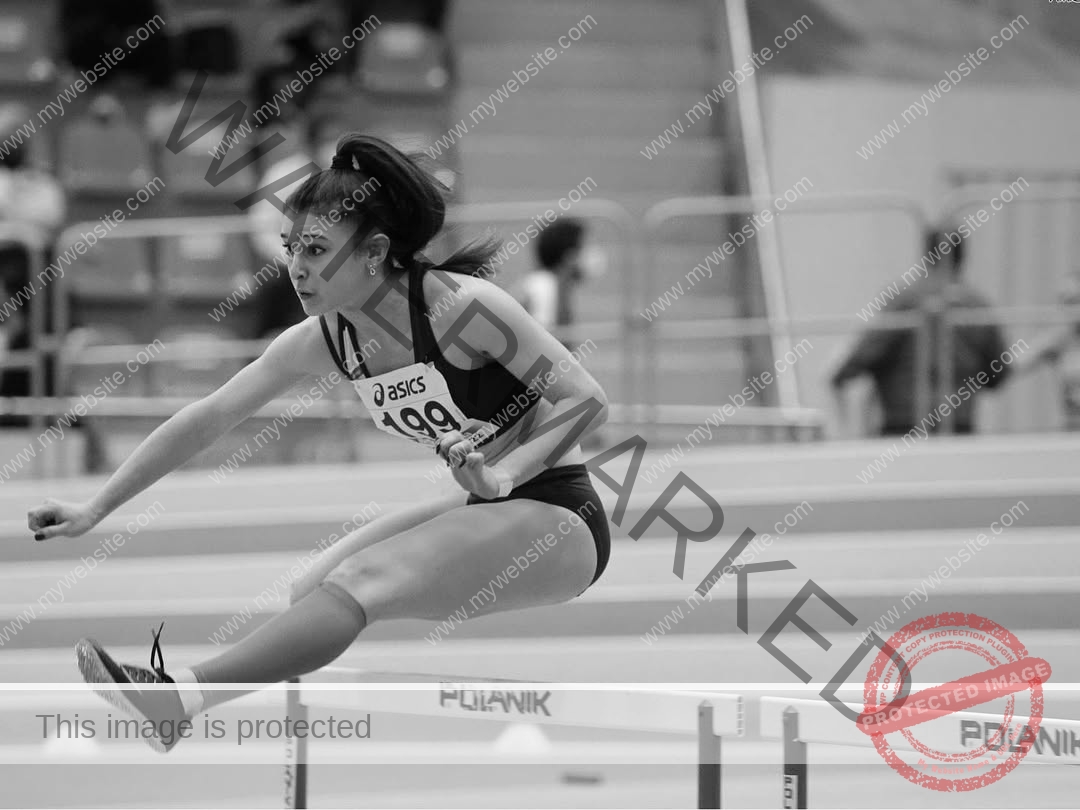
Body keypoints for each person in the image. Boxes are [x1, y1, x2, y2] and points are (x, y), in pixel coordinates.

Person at [27, 134, 611, 751]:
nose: (296, 268)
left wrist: (504, 476)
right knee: (312, 589)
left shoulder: (460, 310)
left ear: (375, 252)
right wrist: (97, 508)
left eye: (316, 249)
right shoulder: (321, 338)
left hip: (559, 513)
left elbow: (587, 398)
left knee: (360, 579)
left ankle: (180, 696)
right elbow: (207, 417)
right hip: (486, 502)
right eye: (290, 248)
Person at [831, 227, 1011, 436]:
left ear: (926, 255)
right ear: (963, 257)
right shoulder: (976, 305)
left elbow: (857, 362)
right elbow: (999, 375)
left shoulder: (902, 301)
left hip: (903, 429)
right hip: (959, 432)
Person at [1012, 274, 1080, 430]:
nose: (1069, 309)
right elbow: (1011, 364)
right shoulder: (1059, 340)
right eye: (1064, 302)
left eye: (1074, 300)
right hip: (1073, 431)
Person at [520, 219, 587, 348]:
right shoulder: (542, 287)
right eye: (581, 249)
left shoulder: (557, 284)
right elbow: (543, 344)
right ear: (569, 256)